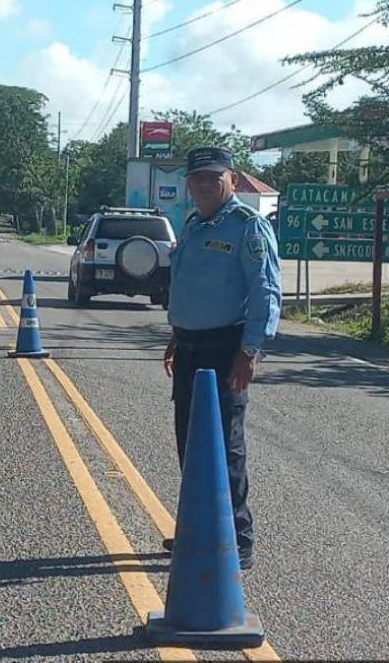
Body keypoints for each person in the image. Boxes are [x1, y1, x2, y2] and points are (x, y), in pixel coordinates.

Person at [163, 146, 281, 571]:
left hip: (225, 349)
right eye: (197, 179)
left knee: (225, 448)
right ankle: (199, 529)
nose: (204, 186)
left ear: (232, 179)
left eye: (214, 178)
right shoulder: (194, 224)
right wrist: (177, 335)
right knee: (190, 445)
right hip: (190, 346)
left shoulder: (247, 227)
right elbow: (188, 286)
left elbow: (265, 292)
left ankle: (237, 537)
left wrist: (249, 351)